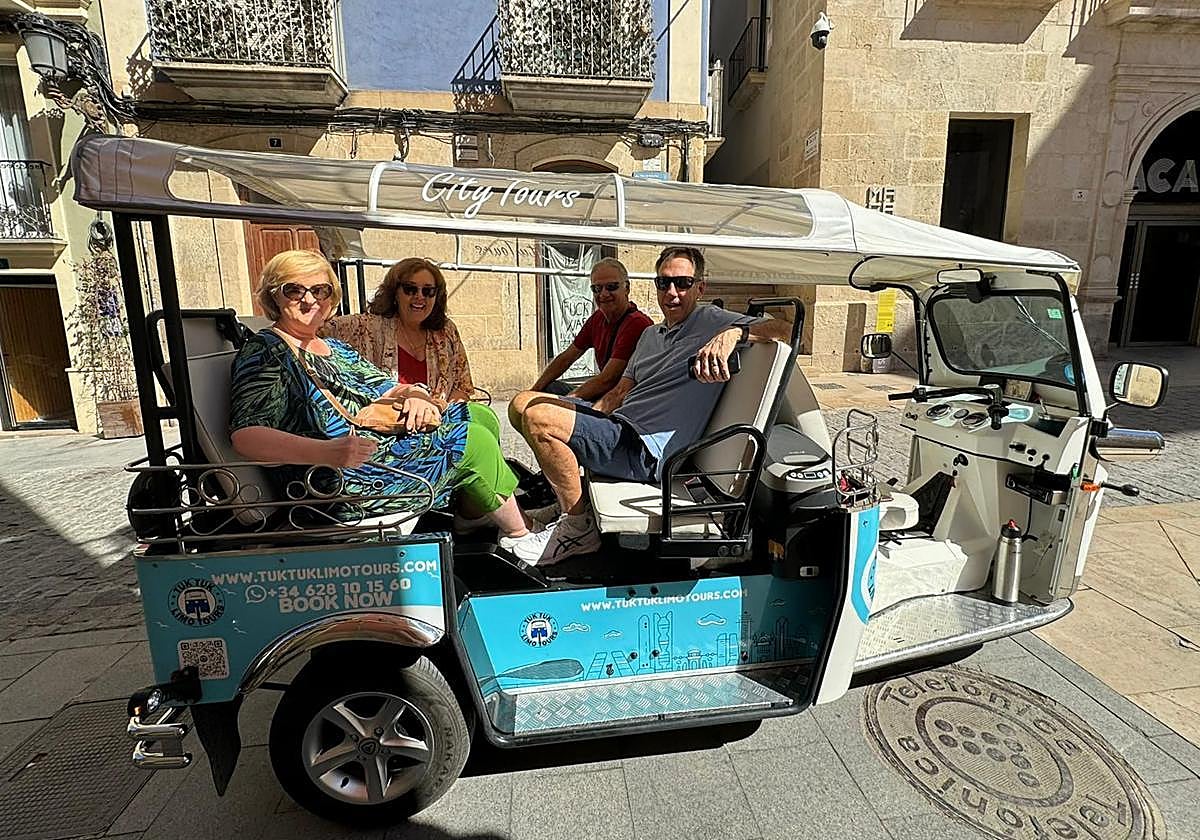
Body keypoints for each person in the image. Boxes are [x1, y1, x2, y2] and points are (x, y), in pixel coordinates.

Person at [230, 250, 552, 562]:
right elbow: (246, 437)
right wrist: (325, 452)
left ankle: (474, 516)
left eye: (320, 289)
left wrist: (414, 394)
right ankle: (520, 537)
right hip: (340, 480)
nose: (310, 299)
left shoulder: (330, 348)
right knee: (473, 441)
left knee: (480, 415)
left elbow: (384, 384)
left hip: (375, 450)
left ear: (332, 296)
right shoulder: (267, 352)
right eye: (294, 290)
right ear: (274, 296)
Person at [509, 246, 793, 564]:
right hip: (619, 427)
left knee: (539, 419)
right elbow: (618, 393)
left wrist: (735, 334)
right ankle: (572, 500)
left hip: (645, 450)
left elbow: (784, 329)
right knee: (522, 404)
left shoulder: (711, 320)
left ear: (700, 287)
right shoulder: (649, 335)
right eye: (663, 283)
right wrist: (581, 415)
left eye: (683, 283)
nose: (672, 292)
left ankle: (577, 528)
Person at [323, 257, 475, 408]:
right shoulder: (365, 327)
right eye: (410, 289)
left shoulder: (446, 332)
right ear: (395, 292)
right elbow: (314, 330)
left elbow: (461, 387)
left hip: (438, 424)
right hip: (383, 426)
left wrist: (441, 410)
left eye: (428, 291)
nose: (420, 296)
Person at [521, 257, 652, 401]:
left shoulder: (637, 324)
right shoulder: (598, 318)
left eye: (611, 287)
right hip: (604, 394)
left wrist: (563, 403)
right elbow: (566, 358)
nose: (603, 294)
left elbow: (607, 380)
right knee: (547, 388)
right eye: (597, 288)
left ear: (627, 287)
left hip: (622, 401)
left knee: (547, 408)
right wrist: (534, 391)